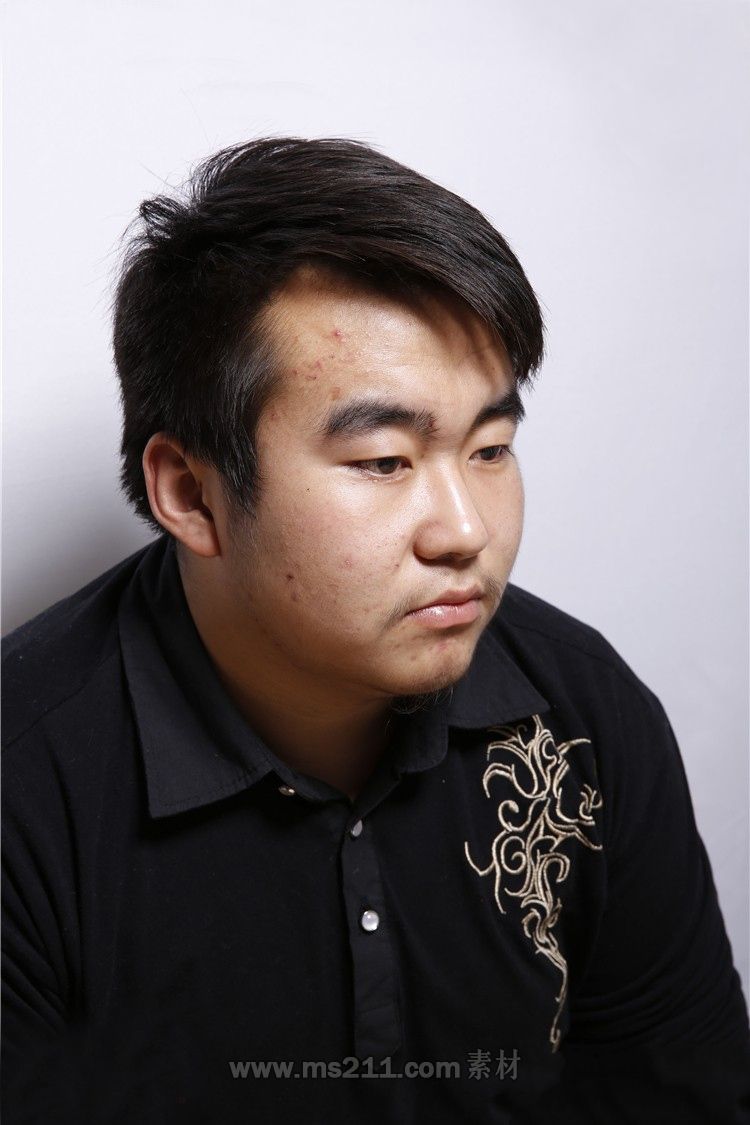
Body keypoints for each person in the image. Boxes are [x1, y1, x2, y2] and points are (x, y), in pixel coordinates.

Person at [2, 137, 748, 1125]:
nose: (467, 532)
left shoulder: (584, 716)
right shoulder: (24, 787)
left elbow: (683, 1097)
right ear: (190, 492)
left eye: (491, 448)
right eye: (386, 461)